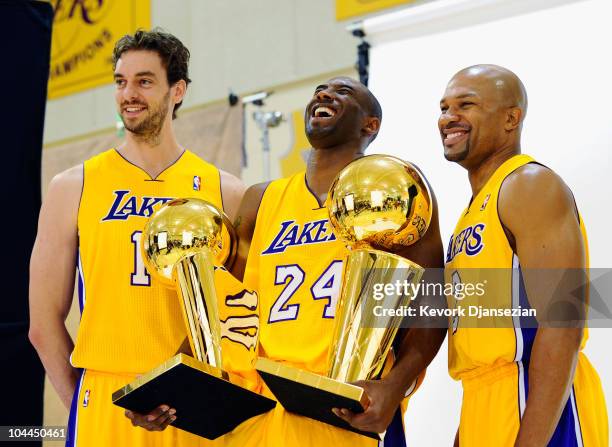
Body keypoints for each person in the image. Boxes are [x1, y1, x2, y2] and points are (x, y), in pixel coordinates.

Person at [28, 29, 246, 447]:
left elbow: (240, 314)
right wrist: (80, 402)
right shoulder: (74, 185)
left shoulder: (225, 191)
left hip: (192, 402)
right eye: (120, 81)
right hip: (107, 398)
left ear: (177, 90)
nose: (129, 93)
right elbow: (42, 323)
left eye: (145, 81)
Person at [226, 76, 447, 446]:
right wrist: (174, 385)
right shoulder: (260, 199)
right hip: (264, 408)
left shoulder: (392, 189)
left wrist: (395, 385)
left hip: (347, 407)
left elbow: (432, 301)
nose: (324, 94)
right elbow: (227, 306)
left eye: (343, 92)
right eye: (319, 92)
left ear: (370, 124)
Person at [439, 64, 608, 446]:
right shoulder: (473, 209)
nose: (450, 117)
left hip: (539, 401)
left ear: (511, 118)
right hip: (485, 401)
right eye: (444, 107)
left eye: (466, 105)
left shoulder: (529, 184)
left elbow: (565, 322)